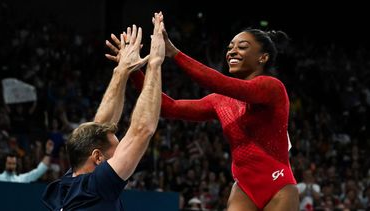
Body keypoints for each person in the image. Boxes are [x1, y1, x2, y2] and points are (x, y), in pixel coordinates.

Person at [106, 16, 299, 210]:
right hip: (244, 188)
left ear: (262, 57)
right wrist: (132, 70)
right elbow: (167, 107)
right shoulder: (219, 100)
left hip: (278, 185)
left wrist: (175, 53)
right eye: (230, 47)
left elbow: (220, 83)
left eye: (242, 46)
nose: (232, 51)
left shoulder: (272, 87)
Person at [42, 12, 165, 210]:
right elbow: (142, 130)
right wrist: (155, 62)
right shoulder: (96, 187)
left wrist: (122, 70)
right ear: (98, 157)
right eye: (115, 154)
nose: (121, 155)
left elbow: (98, 126)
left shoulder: (67, 185)